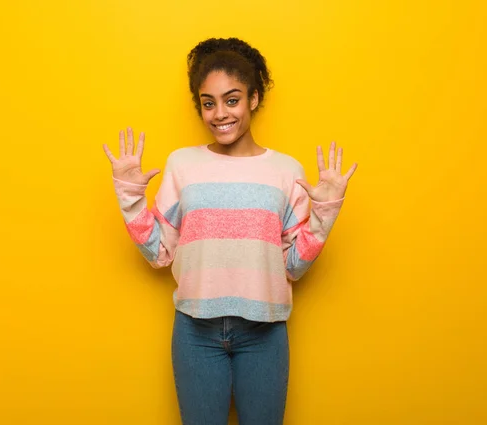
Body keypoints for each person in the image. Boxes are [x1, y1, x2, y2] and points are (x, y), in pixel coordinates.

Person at [103, 37, 357, 425]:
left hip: (265, 333)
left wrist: (324, 214)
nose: (219, 113)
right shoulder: (182, 164)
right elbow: (159, 254)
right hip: (195, 333)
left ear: (254, 99)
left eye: (232, 99)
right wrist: (130, 195)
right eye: (208, 103)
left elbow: (293, 266)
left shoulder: (286, 172)